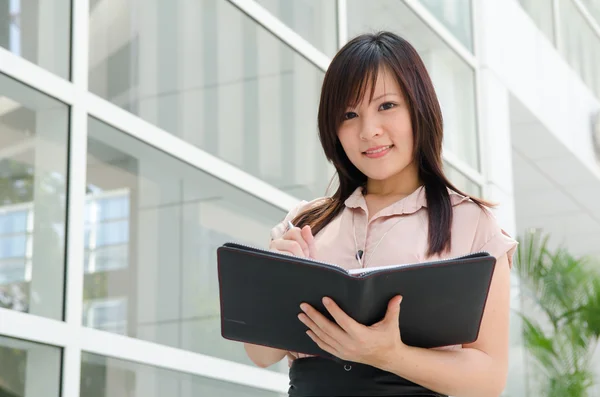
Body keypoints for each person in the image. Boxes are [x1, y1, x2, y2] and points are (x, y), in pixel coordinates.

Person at [244, 31, 518, 397]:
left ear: (419, 107)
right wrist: (274, 281)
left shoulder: (470, 224)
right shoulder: (305, 221)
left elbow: (488, 380)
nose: (368, 131)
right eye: (350, 114)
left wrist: (390, 355)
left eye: (386, 106)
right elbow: (261, 354)